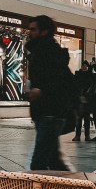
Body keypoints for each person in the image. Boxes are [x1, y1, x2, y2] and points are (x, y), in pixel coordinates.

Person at [24, 15, 73, 171]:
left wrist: (41, 91)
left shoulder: (50, 52)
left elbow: (62, 81)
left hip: (51, 113)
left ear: (44, 31)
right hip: (44, 112)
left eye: (33, 29)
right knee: (54, 161)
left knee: (38, 164)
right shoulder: (38, 51)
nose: (29, 32)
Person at [72, 60, 95, 142]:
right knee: (78, 119)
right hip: (79, 98)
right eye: (83, 65)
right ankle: (77, 135)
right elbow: (75, 85)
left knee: (87, 118)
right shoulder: (78, 74)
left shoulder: (90, 75)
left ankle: (87, 135)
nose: (84, 67)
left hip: (88, 99)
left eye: (86, 65)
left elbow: (91, 85)